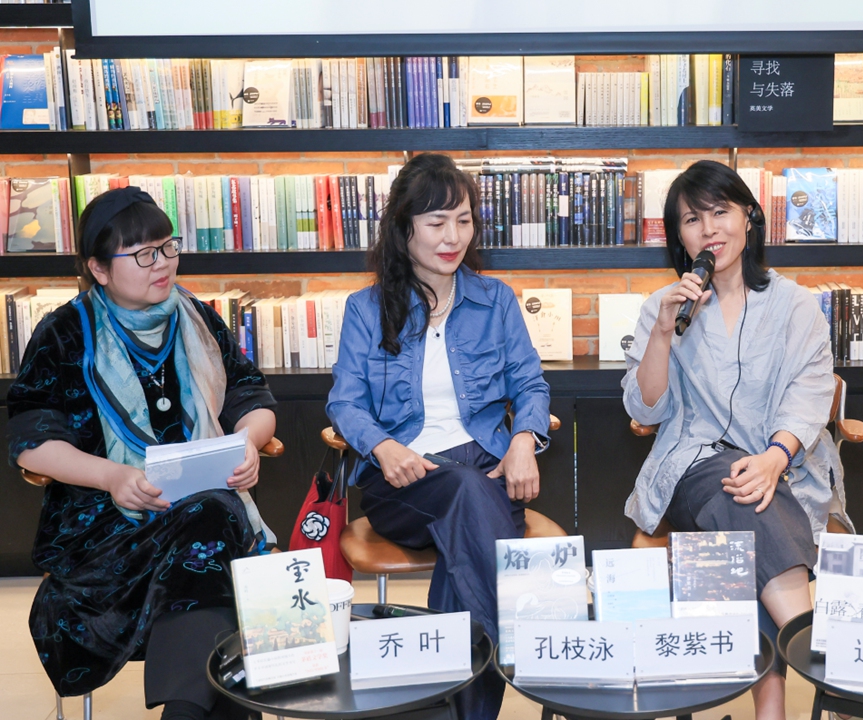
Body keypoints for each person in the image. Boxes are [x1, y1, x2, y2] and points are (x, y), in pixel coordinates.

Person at [7, 187, 278, 720]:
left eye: (168, 247)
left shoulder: (197, 317)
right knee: (214, 524)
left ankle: (186, 710)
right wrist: (111, 476)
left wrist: (246, 442)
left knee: (206, 514)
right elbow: (30, 441)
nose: (163, 264)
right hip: (105, 528)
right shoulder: (64, 333)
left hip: (201, 516)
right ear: (99, 269)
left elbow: (253, 397)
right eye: (144, 254)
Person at [325, 153, 551, 720]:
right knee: (471, 497)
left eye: (464, 220)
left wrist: (523, 439)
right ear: (405, 230)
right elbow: (344, 402)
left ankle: (446, 712)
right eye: (437, 222)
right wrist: (381, 445)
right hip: (403, 479)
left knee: (465, 541)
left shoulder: (495, 300)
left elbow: (530, 384)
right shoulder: (366, 308)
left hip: (484, 465)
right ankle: (534, 652)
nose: (454, 236)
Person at [622, 160, 848, 720]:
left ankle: (771, 713)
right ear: (679, 235)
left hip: (785, 465)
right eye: (693, 219)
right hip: (693, 463)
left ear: (749, 216)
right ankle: (822, 658)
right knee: (737, 492)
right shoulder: (665, 306)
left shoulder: (795, 303)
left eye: (721, 211)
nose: (709, 230)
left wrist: (774, 457)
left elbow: (811, 390)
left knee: (745, 521)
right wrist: (660, 333)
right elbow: (644, 406)